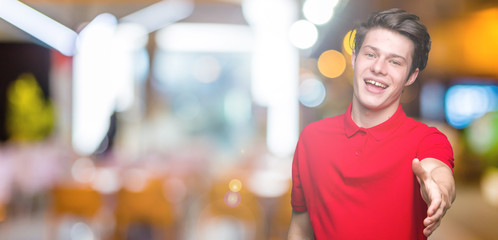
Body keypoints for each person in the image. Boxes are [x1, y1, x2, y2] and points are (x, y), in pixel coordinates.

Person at [288, 8, 455, 240]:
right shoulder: (311, 139)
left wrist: (440, 191)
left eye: (395, 62)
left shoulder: (426, 139)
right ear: (354, 59)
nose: (378, 68)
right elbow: (301, 228)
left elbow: (437, 170)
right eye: (370, 55)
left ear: (411, 76)